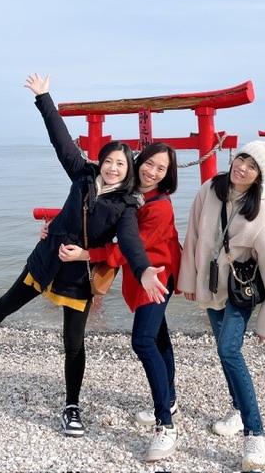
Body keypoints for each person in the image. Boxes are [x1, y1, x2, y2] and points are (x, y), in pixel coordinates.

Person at [0, 73, 168, 439]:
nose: (112, 168)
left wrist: (142, 271)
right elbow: (60, 141)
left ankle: (71, 406)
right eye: (109, 160)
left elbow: (130, 244)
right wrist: (45, 98)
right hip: (45, 262)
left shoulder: (125, 207)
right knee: (3, 306)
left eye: (121, 165)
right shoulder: (82, 176)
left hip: (78, 280)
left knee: (74, 346)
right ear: (101, 160)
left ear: (128, 172)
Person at [44, 142, 182, 462]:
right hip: (144, 280)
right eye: (147, 164)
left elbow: (124, 251)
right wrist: (53, 229)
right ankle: (170, 398)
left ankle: (166, 424)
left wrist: (86, 255)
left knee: (144, 341)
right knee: (159, 337)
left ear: (167, 175)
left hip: (157, 279)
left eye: (160, 169)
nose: (151, 172)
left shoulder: (159, 206)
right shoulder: (127, 193)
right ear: (138, 162)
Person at [177, 137, 265, 471]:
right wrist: (188, 281)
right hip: (210, 285)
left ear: (259, 177)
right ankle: (239, 411)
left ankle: (256, 437)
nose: (242, 167)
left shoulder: (264, 215)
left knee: (228, 351)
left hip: (239, 292)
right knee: (224, 350)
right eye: (241, 159)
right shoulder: (210, 188)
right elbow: (193, 235)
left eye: (252, 166)